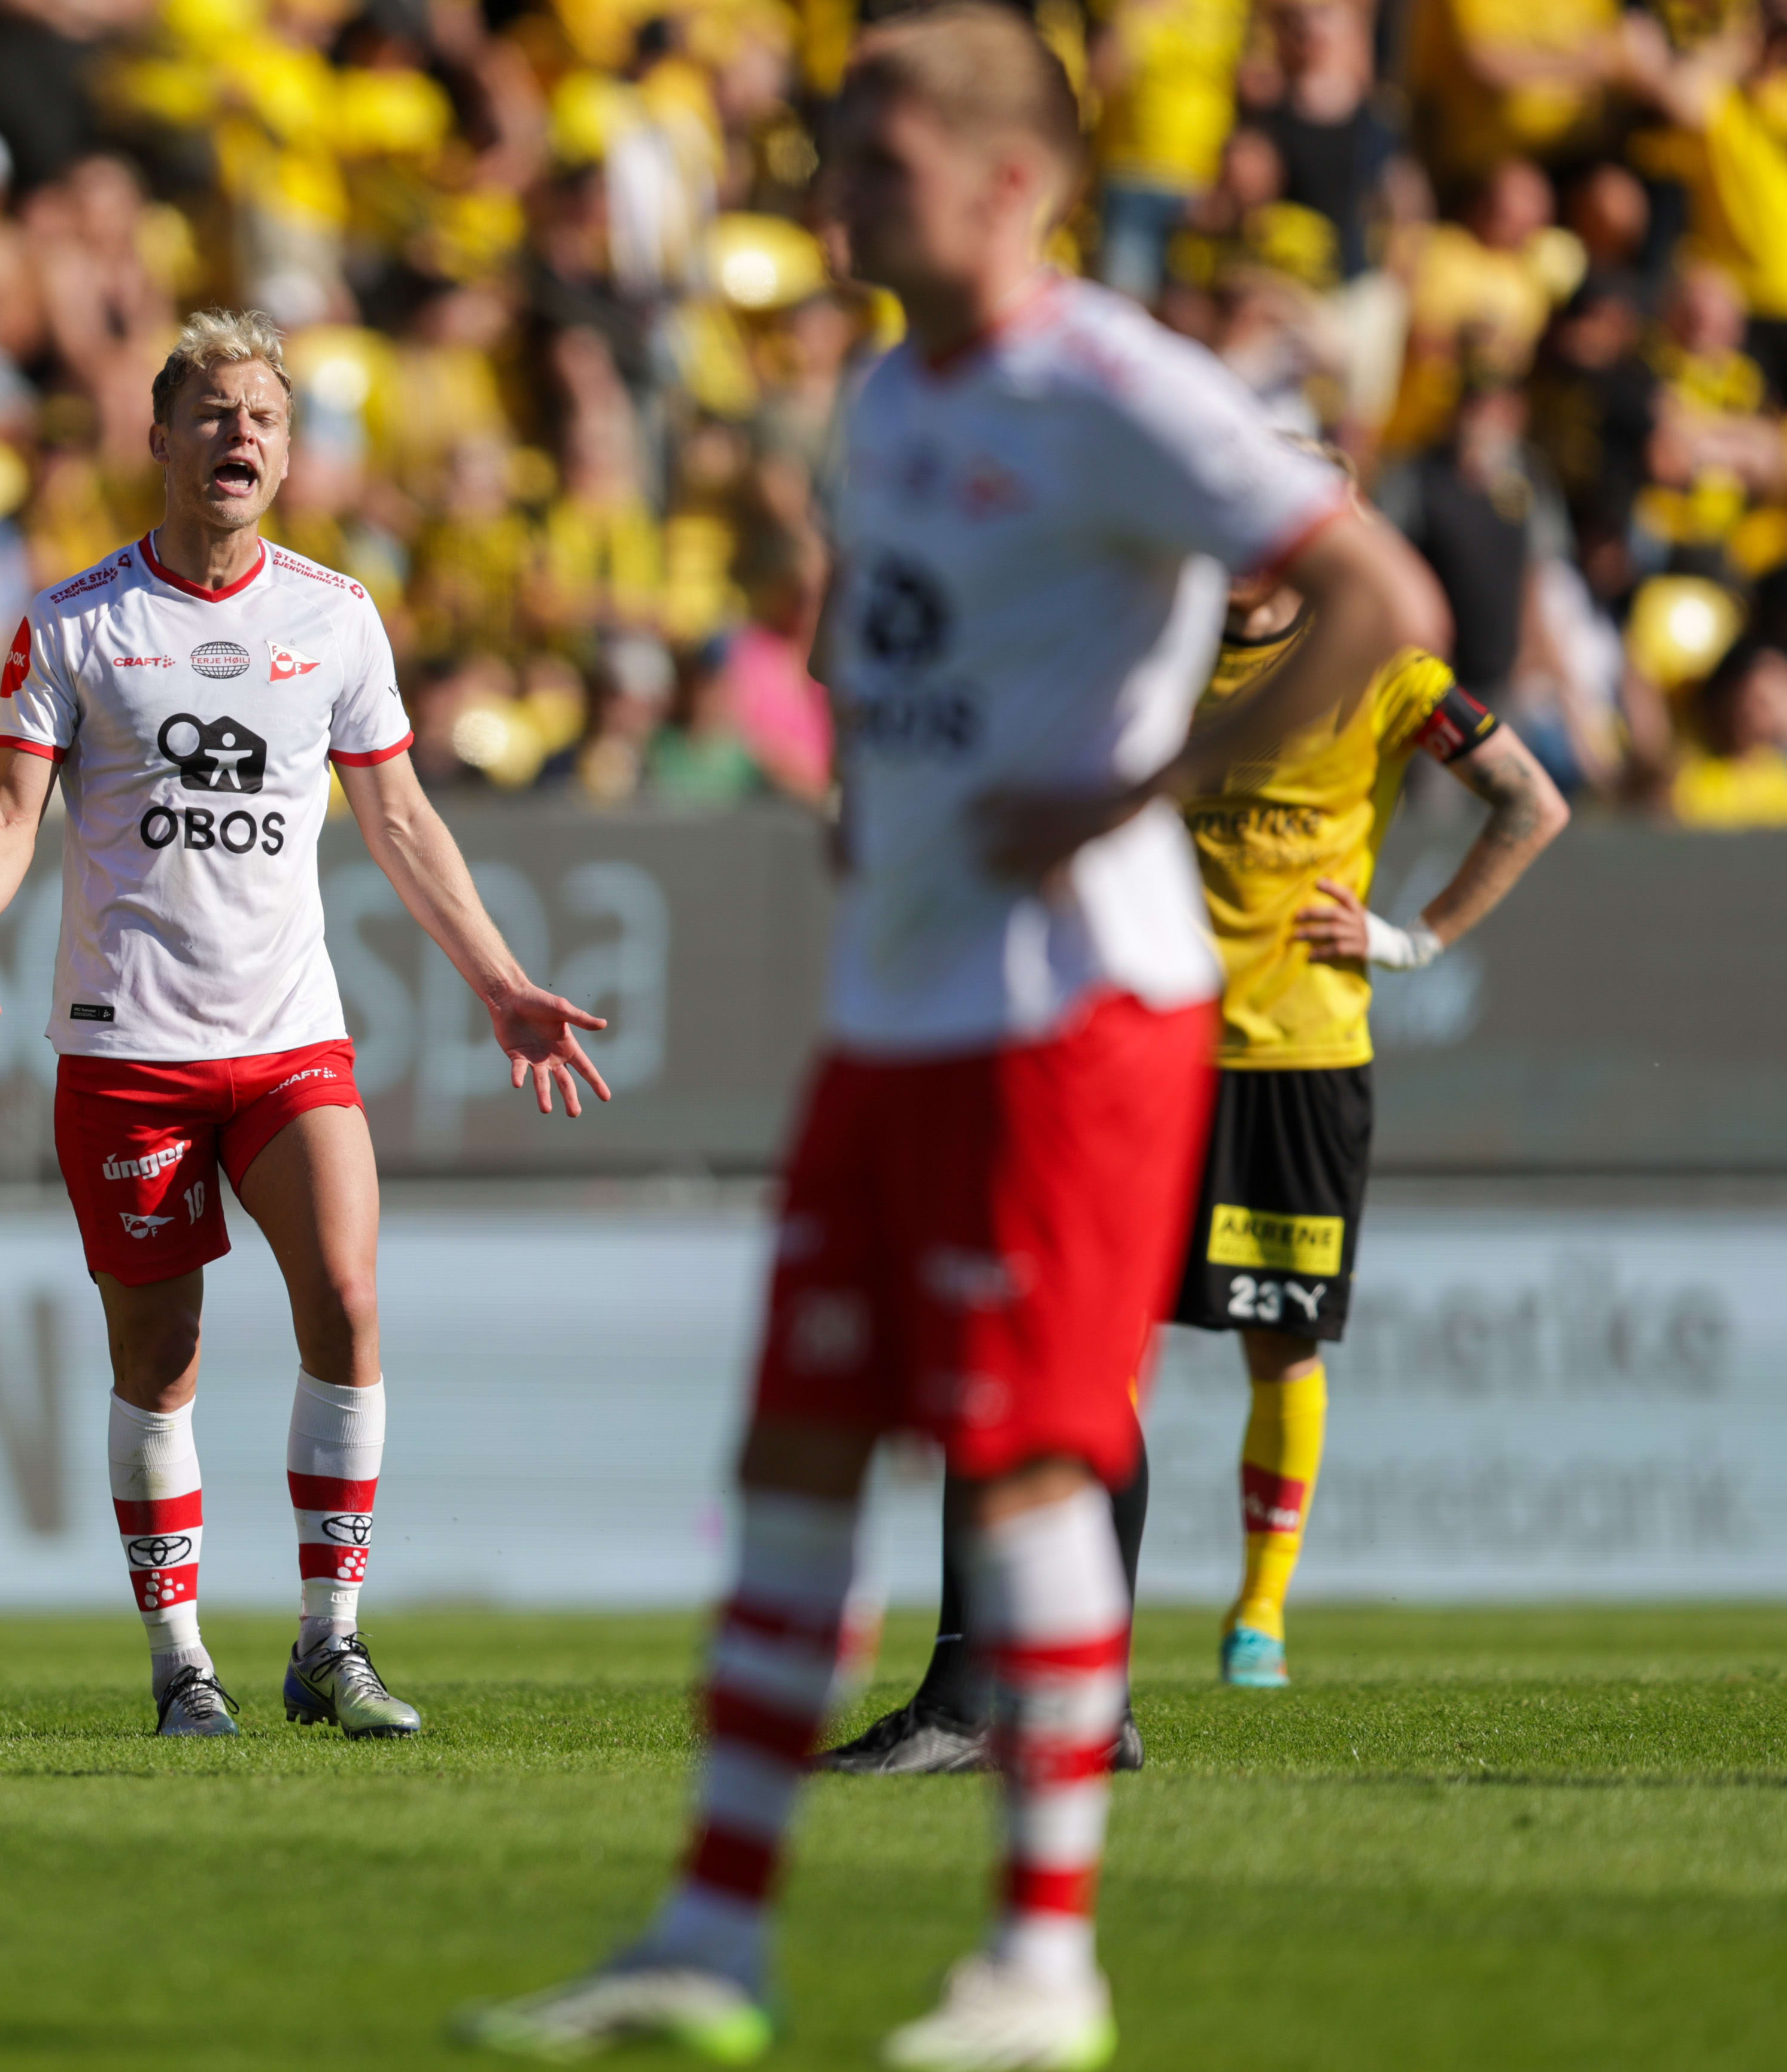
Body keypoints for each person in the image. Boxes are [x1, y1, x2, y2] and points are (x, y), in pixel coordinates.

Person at [464, 10, 1446, 2064]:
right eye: (837, 153)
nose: (839, 192)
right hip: (896, 1005)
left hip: (1068, 1013)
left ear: (1010, 183)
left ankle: (1038, 1963)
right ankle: (710, 1939)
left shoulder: (1115, 383)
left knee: (1018, 1460)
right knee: (795, 1448)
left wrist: (1144, 783)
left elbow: (1374, 593)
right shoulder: (890, 392)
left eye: (880, 159)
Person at [0, 308, 615, 1741]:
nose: (238, 433)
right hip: (128, 1047)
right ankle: (180, 1661)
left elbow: (400, 818)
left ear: (287, 454)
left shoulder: (336, 616)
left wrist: (499, 982)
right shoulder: (75, 620)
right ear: (158, 437)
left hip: (289, 1035)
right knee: (157, 1358)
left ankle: (328, 1640)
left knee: (347, 1301)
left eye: (264, 417)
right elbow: (9, 808)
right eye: (213, 411)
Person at [828, 455, 1570, 1776]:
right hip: (1139, 1043)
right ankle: (1031, 1694)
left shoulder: (1387, 671)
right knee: (1069, 1351)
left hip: (1293, 1054)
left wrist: (1408, 938)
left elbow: (1531, 798)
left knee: (1263, 1343)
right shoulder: (1153, 650)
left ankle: (1238, 1619)